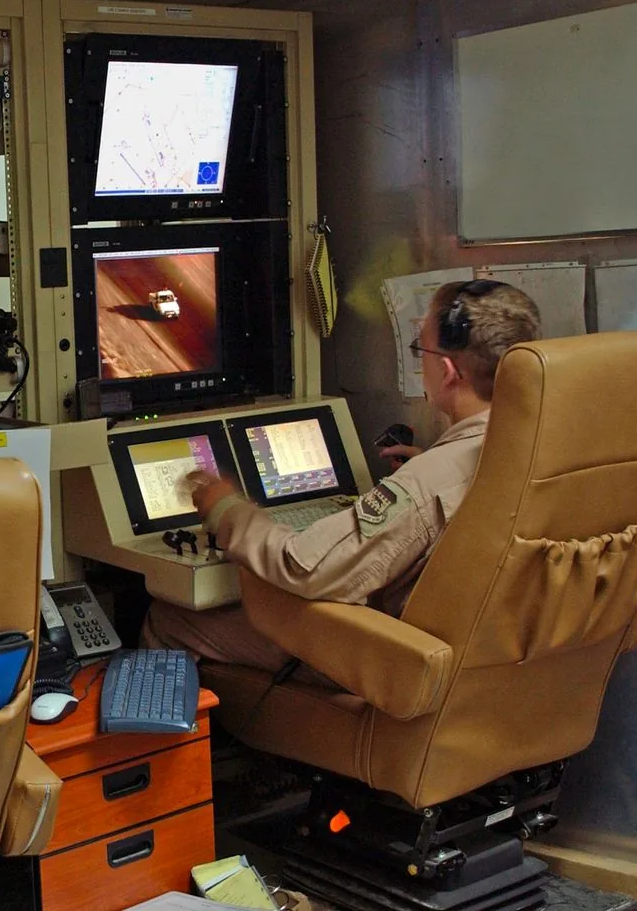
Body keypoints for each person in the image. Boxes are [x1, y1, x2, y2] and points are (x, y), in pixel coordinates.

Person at [142, 279, 541, 681]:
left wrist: (225, 507)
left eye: (421, 350)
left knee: (171, 618)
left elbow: (302, 566)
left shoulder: (431, 482)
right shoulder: (539, 446)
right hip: (494, 667)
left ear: (449, 371)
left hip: (395, 663)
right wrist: (428, 474)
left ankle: (174, 742)